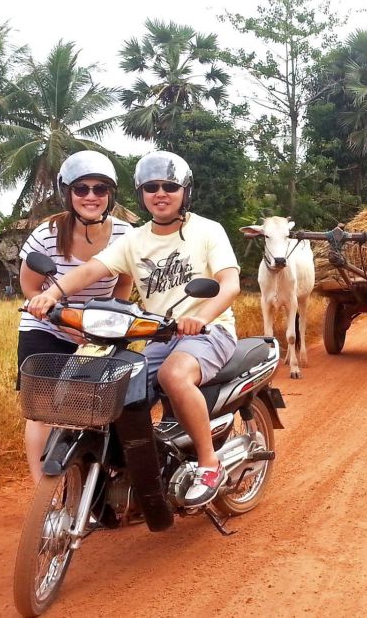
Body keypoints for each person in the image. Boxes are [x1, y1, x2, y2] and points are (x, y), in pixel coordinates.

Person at [27, 150, 241, 508]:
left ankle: (209, 463)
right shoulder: (134, 240)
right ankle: (128, 467)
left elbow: (230, 283)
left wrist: (201, 317)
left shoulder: (207, 230)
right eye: (151, 187)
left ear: (184, 192)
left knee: (175, 376)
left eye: (169, 186)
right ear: (141, 194)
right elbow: (91, 270)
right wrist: (51, 293)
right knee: (108, 384)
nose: (161, 193)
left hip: (208, 332)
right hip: (156, 335)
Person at [18, 150, 134, 484]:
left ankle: (99, 484)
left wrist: (111, 321)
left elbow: (124, 282)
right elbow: (30, 286)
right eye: (81, 189)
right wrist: (54, 314)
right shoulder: (46, 234)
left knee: (102, 406)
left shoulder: (126, 234)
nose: (91, 196)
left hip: (97, 332)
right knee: (40, 408)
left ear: (110, 194)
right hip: (48, 328)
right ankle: (44, 495)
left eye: (100, 189)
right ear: (68, 193)